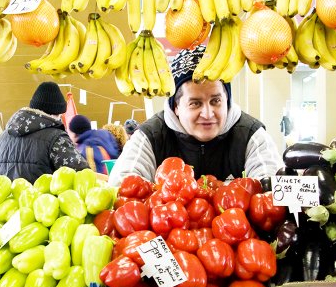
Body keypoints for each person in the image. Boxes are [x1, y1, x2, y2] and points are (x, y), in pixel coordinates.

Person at [108, 46, 282, 186]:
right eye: (195, 103)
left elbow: (273, 187)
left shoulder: (251, 134)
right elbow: (122, 186)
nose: (207, 114)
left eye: (216, 101)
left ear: (227, 100)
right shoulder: (151, 136)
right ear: (176, 106)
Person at [0, 82, 89, 183]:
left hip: (7, 198)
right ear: (56, 113)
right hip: (43, 198)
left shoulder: (2, 137)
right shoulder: (56, 138)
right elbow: (82, 174)